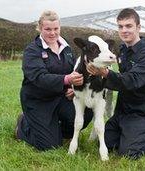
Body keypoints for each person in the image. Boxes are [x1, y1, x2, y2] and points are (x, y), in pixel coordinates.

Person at [86, 8, 145, 159]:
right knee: (107, 142)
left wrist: (105, 73)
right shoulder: (123, 50)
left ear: (138, 27)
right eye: (120, 26)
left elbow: (132, 80)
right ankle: (130, 133)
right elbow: (119, 78)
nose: (124, 30)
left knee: (128, 153)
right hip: (123, 109)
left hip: (144, 111)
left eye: (129, 26)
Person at [15, 10, 93, 151]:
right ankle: (23, 124)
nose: (52, 33)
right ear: (40, 28)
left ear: (60, 28)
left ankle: (57, 131)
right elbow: (39, 77)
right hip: (38, 100)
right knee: (49, 146)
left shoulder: (67, 47)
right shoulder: (32, 50)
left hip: (61, 97)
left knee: (87, 111)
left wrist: (73, 89)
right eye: (48, 29)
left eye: (56, 29)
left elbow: (75, 69)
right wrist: (67, 79)